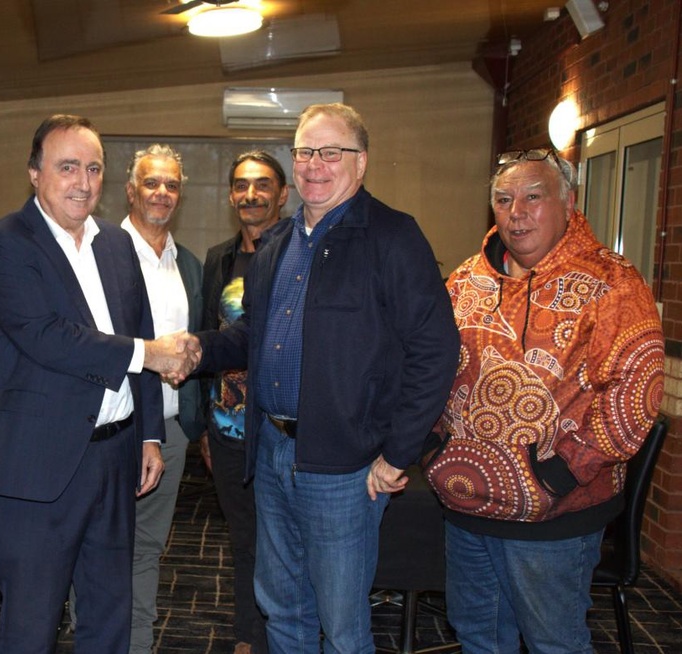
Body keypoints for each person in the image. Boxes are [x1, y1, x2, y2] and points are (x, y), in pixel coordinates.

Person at [193, 103, 459, 653]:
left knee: (341, 627)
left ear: (360, 163)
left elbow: (435, 351)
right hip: (270, 456)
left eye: (331, 152)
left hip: (345, 469)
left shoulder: (393, 237)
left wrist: (396, 454)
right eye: (305, 151)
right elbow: (254, 340)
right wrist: (195, 350)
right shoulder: (277, 245)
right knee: (282, 610)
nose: (315, 164)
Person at [422, 147, 665, 654]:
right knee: (478, 639)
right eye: (504, 199)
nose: (517, 212)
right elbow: (431, 366)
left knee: (554, 644)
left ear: (569, 202)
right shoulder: (466, 281)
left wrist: (562, 471)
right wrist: (433, 442)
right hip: (467, 503)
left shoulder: (612, 282)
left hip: (555, 512)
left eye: (534, 197)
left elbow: (635, 387)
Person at [0, 115, 198, 653]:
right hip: (39, 464)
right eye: (67, 167)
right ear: (34, 173)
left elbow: (136, 327)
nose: (82, 181)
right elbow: (48, 337)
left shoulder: (116, 244)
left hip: (114, 457)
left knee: (109, 614)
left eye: (93, 168)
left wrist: (148, 434)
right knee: (31, 621)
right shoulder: (4, 244)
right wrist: (151, 354)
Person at [200, 150, 290, 654]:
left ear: (282, 193)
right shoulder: (219, 258)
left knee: (286, 542)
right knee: (244, 540)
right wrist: (204, 430)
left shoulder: (300, 252)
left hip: (283, 428)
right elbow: (211, 340)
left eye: (261, 185)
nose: (250, 194)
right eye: (240, 185)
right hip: (228, 428)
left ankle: (287, 635)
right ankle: (247, 637)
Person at [120, 144, 206, 653]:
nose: (161, 193)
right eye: (151, 183)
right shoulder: (100, 251)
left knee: (148, 547)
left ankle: (136, 642)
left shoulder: (188, 264)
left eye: (171, 185)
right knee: (104, 545)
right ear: (131, 190)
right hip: (115, 427)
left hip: (170, 430)